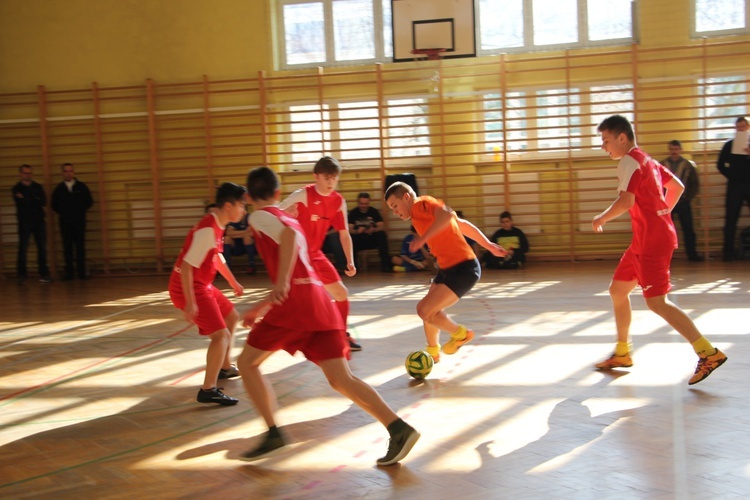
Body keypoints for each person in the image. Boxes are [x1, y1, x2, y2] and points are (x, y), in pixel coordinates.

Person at [237, 166, 420, 465]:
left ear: (248, 196)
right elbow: (299, 262)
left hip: (294, 306)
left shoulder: (259, 217)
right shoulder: (292, 219)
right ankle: (398, 428)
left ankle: (273, 432)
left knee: (247, 362)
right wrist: (264, 305)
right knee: (341, 379)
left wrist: (279, 286)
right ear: (278, 193)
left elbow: (286, 254)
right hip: (319, 302)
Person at [592, 115, 727, 385]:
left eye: (606, 141)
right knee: (618, 290)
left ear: (621, 137)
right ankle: (622, 353)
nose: (604, 147)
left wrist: (602, 218)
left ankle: (707, 353)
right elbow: (677, 187)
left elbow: (626, 200)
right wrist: (662, 213)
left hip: (652, 242)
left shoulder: (630, 161)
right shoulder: (648, 160)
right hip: (645, 238)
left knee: (657, 302)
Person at [384, 182, 506, 363]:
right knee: (429, 310)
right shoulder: (418, 214)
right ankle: (433, 351)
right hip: (447, 268)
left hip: (463, 268)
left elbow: (447, 214)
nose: (394, 212)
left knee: (423, 310)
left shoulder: (420, 205)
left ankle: (461, 334)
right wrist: (488, 245)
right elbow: (460, 224)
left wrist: (422, 239)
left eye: (395, 206)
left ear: (406, 198)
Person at [168, 182, 247, 406]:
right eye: (242, 205)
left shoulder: (218, 224)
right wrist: (190, 302)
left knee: (231, 316)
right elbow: (185, 266)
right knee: (220, 335)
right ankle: (208, 389)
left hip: (200, 283)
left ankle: (224, 366)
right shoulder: (207, 229)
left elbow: (215, 257)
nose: (244, 210)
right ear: (229, 205)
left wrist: (233, 281)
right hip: (189, 286)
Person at [279, 157, 361, 351]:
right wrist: (287, 214)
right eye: (326, 178)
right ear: (316, 176)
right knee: (299, 302)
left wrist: (350, 260)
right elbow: (272, 213)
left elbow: (344, 233)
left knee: (341, 293)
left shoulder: (338, 201)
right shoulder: (303, 195)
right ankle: (274, 333)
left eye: (334, 178)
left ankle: (341, 336)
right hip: (296, 257)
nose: (331, 182)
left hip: (315, 255)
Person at [661, 141, 703, 262]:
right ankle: (665, 256)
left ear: (680, 149)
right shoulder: (663, 164)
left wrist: (688, 197)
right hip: (667, 202)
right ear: (669, 150)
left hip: (683, 201)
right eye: (672, 149)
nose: (674, 151)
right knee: (666, 231)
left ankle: (692, 254)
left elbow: (694, 184)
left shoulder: (688, 165)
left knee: (688, 229)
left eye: (676, 149)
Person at [51, 163, 94, 280]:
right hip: (65, 222)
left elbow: (89, 201)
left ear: (73, 172)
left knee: (80, 246)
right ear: (62, 173)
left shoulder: (81, 187)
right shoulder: (59, 189)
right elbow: (54, 205)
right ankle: (69, 273)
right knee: (67, 247)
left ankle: (81, 272)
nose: (68, 173)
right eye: (66, 171)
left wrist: (78, 211)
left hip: (79, 221)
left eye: (70, 171)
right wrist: (65, 212)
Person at [716, 116, 750, 261]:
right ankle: (728, 253)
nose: (740, 129)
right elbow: (720, 164)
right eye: (738, 127)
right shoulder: (729, 145)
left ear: (748, 127)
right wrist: (732, 175)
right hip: (735, 185)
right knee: (731, 219)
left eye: (743, 126)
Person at [12, 164, 52, 285]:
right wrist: (33, 200)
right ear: (20, 174)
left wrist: (26, 199)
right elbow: (22, 203)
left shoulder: (38, 186)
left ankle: (44, 274)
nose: (27, 175)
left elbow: (43, 202)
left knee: (42, 248)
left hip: (38, 221)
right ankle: (22, 275)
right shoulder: (16, 188)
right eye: (25, 173)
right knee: (23, 249)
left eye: (29, 173)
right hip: (24, 222)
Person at [348, 192, 391, 272]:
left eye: (366, 203)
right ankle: (354, 267)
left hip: (371, 238)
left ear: (369, 202)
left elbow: (381, 226)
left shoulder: (374, 212)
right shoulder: (353, 213)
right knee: (351, 238)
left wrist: (373, 229)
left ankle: (385, 265)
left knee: (382, 235)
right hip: (358, 239)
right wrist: (357, 231)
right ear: (358, 202)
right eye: (362, 203)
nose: (364, 206)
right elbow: (349, 229)